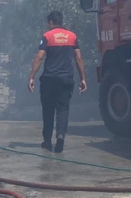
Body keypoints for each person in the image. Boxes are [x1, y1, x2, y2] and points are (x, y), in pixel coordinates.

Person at [28, 10, 87, 153]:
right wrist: (83, 78)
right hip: (66, 79)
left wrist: (32, 76)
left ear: (51, 23)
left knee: (48, 110)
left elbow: (39, 57)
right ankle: (60, 136)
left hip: (49, 79)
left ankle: (47, 141)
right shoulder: (72, 37)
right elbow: (78, 58)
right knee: (63, 109)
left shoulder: (47, 36)